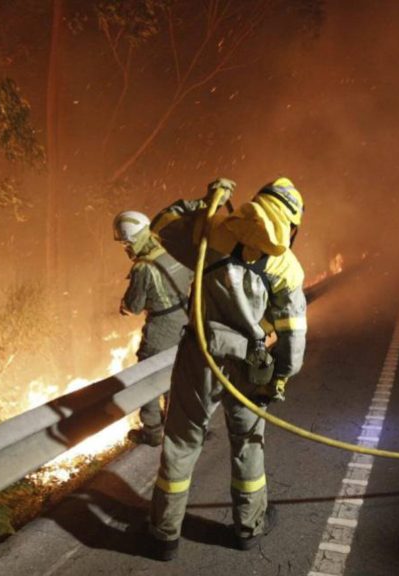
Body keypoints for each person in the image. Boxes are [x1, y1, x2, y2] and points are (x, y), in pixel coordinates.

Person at [147, 177, 308, 561]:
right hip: (250, 364)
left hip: (199, 355)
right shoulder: (286, 266)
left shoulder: (211, 232)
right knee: (248, 442)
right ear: (291, 223)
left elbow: (160, 223)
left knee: (182, 441)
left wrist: (202, 203)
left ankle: (164, 534)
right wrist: (279, 378)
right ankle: (248, 528)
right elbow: (293, 341)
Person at [114, 210, 193, 446]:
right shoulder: (173, 252)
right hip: (185, 320)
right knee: (176, 372)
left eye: (126, 243)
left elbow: (134, 305)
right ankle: (177, 422)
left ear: (135, 238)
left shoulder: (143, 267)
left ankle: (153, 431)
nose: (126, 248)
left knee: (146, 378)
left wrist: (124, 307)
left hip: (161, 328)